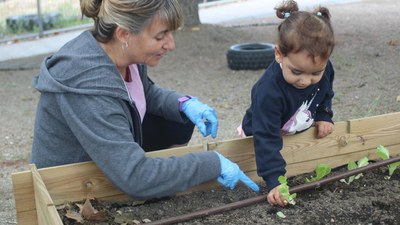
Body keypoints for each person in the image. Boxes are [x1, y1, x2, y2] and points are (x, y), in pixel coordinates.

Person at [30, 0, 259, 199]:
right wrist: (212, 163)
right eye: (160, 36)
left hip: (105, 159)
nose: (171, 45)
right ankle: (152, 186)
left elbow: (144, 93)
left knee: (177, 121)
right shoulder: (87, 85)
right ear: (124, 34)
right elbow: (135, 178)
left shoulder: (123, 54)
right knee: (141, 179)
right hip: (71, 188)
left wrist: (183, 104)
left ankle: (158, 183)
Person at [239, 0, 335, 206]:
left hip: (294, 126)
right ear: (279, 54)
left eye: (315, 73)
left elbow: (326, 93)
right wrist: (275, 180)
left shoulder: (325, 70)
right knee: (249, 153)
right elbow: (265, 137)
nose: (305, 81)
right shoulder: (268, 91)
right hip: (262, 132)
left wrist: (324, 115)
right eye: (297, 72)